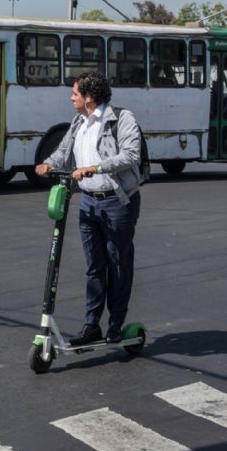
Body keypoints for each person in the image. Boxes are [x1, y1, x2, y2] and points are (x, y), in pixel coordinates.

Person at [36, 71, 144, 345]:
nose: (70, 98)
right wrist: (48, 163)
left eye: (74, 93)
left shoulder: (121, 118)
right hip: (88, 201)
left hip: (117, 201)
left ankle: (116, 325)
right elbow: (63, 151)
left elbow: (131, 155)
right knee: (94, 267)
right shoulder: (79, 122)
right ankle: (91, 325)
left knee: (117, 265)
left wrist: (94, 168)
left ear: (89, 97)